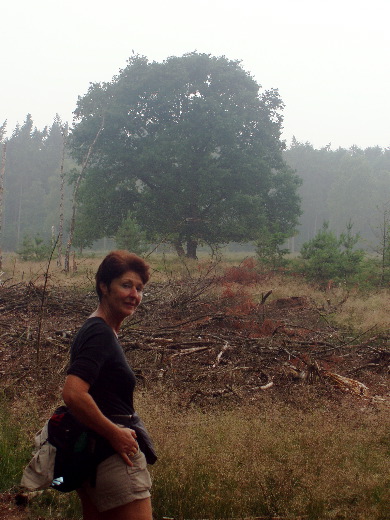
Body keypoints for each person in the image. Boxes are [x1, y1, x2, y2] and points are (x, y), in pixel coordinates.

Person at [62, 250, 153, 520]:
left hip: (94, 456)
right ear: (104, 286)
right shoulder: (100, 332)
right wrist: (115, 433)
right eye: (126, 285)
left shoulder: (98, 329)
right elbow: (73, 393)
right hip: (113, 457)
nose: (134, 295)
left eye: (139, 288)